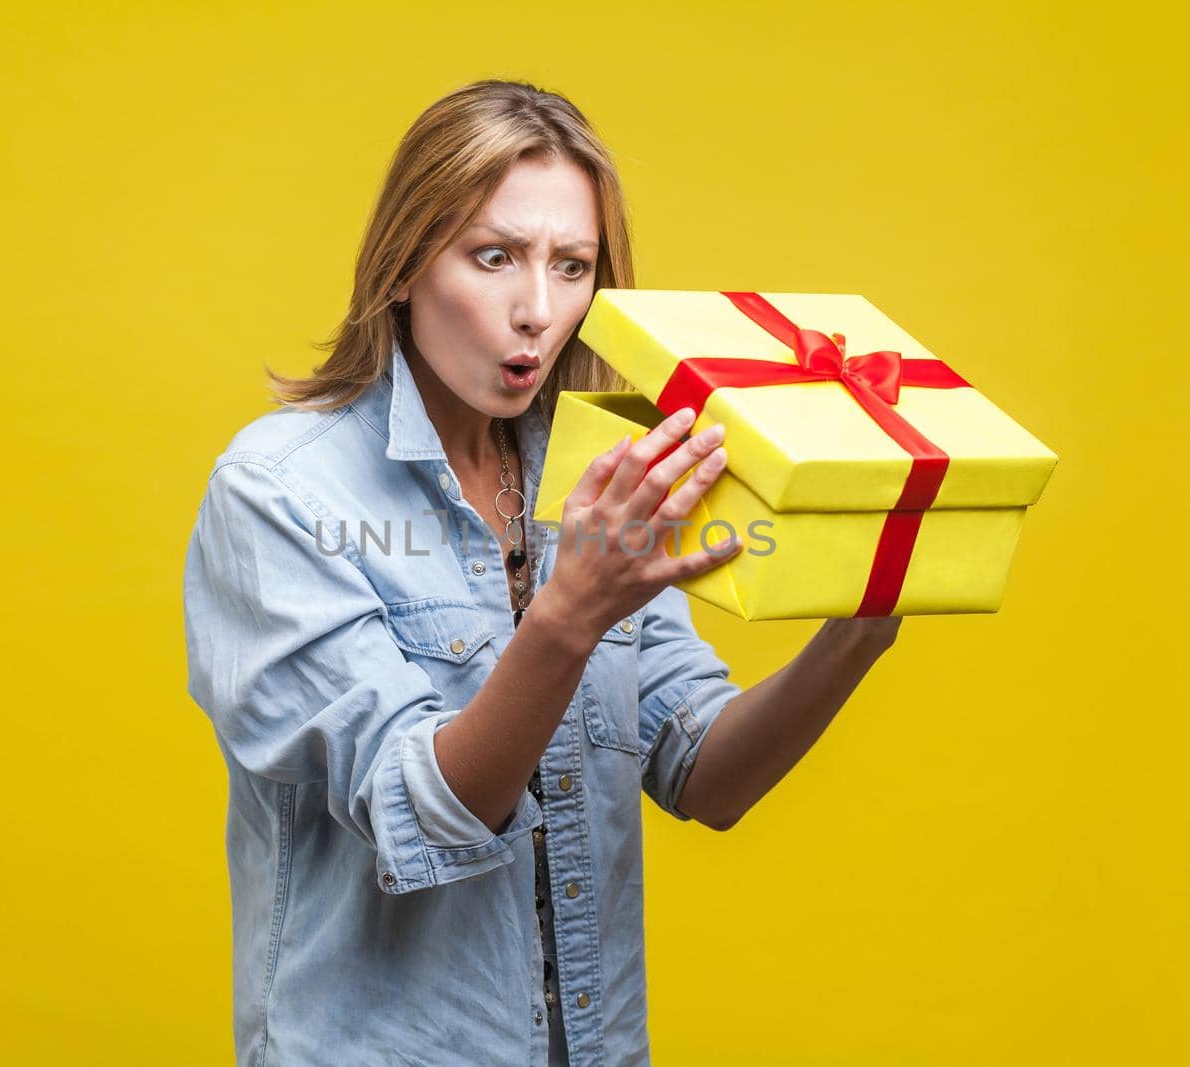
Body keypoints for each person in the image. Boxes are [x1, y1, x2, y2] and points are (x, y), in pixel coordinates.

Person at [183, 78, 900, 1067]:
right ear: (402, 265)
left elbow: (705, 773)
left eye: (572, 267)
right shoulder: (280, 492)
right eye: (493, 257)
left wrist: (860, 623)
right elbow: (419, 815)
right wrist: (568, 615)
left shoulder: (587, 478)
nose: (537, 310)